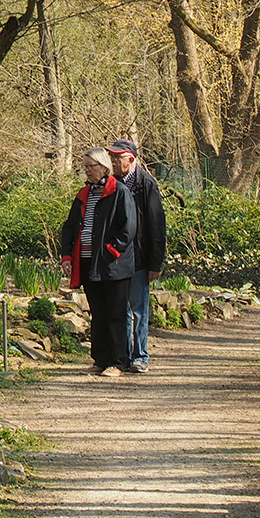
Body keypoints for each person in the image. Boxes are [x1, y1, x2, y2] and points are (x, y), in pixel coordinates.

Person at [58, 147, 139, 377]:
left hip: (113, 266)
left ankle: (118, 362)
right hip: (88, 263)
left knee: (115, 313)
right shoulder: (84, 194)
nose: (86, 171)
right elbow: (70, 227)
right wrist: (66, 256)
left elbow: (128, 228)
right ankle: (101, 359)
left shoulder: (119, 192)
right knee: (98, 313)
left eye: (90, 167)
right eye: (84, 167)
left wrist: (111, 251)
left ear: (103, 167)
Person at [109, 137, 166, 373]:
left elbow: (157, 225)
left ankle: (141, 356)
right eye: (111, 157)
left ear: (130, 159)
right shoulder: (111, 184)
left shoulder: (146, 184)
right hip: (118, 258)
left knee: (139, 309)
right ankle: (124, 355)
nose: (112, 161)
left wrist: (155, 262)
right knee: (121, 309)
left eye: (117, 157)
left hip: (141, 259)